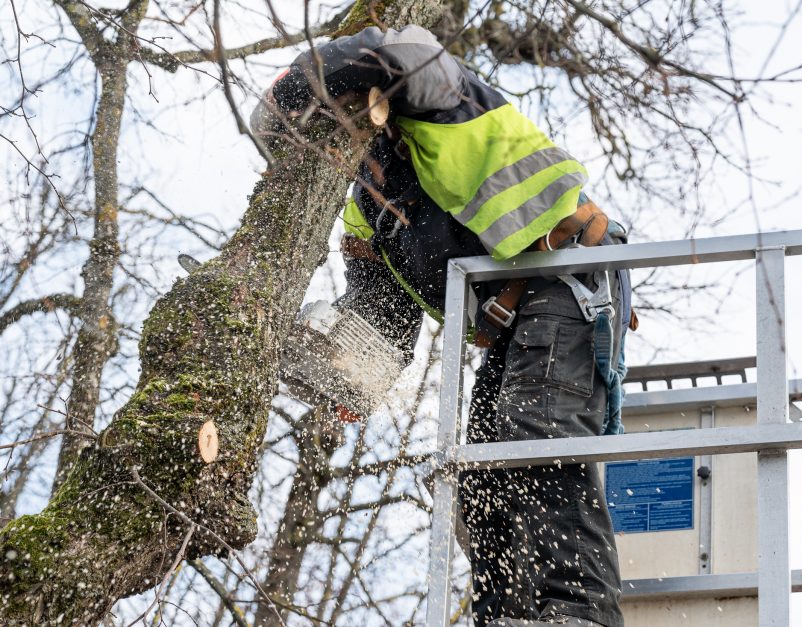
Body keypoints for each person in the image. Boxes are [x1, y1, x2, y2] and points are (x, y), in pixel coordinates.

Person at [252, 24, 634, 627]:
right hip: (509, 322)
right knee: (479, 477)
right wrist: (328, 366)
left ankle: (578, 611)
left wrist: (300, 84)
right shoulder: (367, 210)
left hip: (569, 273)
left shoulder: (428, 101)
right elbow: (380, 328)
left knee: (535, 435)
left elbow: (404, 50)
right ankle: (507, 615)